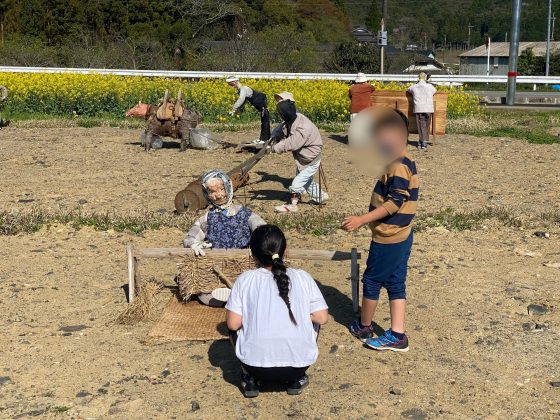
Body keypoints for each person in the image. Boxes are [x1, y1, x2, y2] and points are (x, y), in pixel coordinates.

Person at [342, 109, 419, 352]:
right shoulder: (403, 162)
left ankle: (364, 326)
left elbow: (394, 203)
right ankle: (397, 334)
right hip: (402, 234)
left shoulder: (398, 167)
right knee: (396, 282)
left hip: (389, 237)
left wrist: (362, 219)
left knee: (372, 280)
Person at [226, 225, 329, 397]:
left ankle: (249, 379)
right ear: (285, 251)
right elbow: (322, 317)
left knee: (230, 326)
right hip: (297, 365)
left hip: (255, 365)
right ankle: (295, 380)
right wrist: (299, 315)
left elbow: (233, 323)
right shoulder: (303, 277)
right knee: (313, 322)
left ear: (253, 255)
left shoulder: (245, 279)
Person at [183, 169, 266, 306]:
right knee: (206, 295)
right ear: (207, 194)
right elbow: (191, 236)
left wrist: (261, 241)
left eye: (222, 189)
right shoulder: (207, 218)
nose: (219, 195)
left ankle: (240, 295)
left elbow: (262, 229)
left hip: (244, 267)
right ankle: (227, 297)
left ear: (228, 187)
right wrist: (194, 243)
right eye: (212, 192)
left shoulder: (245, 214)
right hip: (217, 270)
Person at [270, 91, 329, 213]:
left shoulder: (303, 125)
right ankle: (321, 196)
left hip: (311, 159)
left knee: (296, 184)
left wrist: (274, 148)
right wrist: (273, 137)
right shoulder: (289, 120)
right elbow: (280, 128)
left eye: (282, 103)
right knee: (306, 182)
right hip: (302, 158)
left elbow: (293, 142)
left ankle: (292, 206)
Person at [226, 76, 271, 144]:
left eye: (231, 84)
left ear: (234, 82)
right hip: (261, 107)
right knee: (264, 122)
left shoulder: (243, 89)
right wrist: (237, 111)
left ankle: (265, 140)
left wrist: (233, 109)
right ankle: (263, 138)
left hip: (263, 106)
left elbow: (241, 99)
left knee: (265, 122)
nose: (231, 86)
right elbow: (243, 103)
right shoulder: (241, 90)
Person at [407, 72, 436, 150]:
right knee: (426, 126)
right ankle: (422, 141)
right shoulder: (430, 86)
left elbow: (408, 89)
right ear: (426, 78)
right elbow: (435, 90)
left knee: (421, 126)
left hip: (419, 108)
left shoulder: (414, 87)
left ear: (418, 78)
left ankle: (423, 142)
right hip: (429, 108)